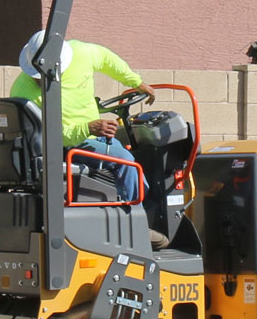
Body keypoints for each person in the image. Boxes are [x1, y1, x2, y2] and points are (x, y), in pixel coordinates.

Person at [10, 32, 152, 202]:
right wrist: (87, 128)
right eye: (35, 73)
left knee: (134, 170)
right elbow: (49, 136)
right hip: (66, 146)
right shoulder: (23, 92)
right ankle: (134, 219)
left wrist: (136, 83)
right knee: (126, 162)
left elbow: (107, 59)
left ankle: (131, 205)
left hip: (94, 138)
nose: (37, 79)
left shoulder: (81, 53)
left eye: (41, 74)